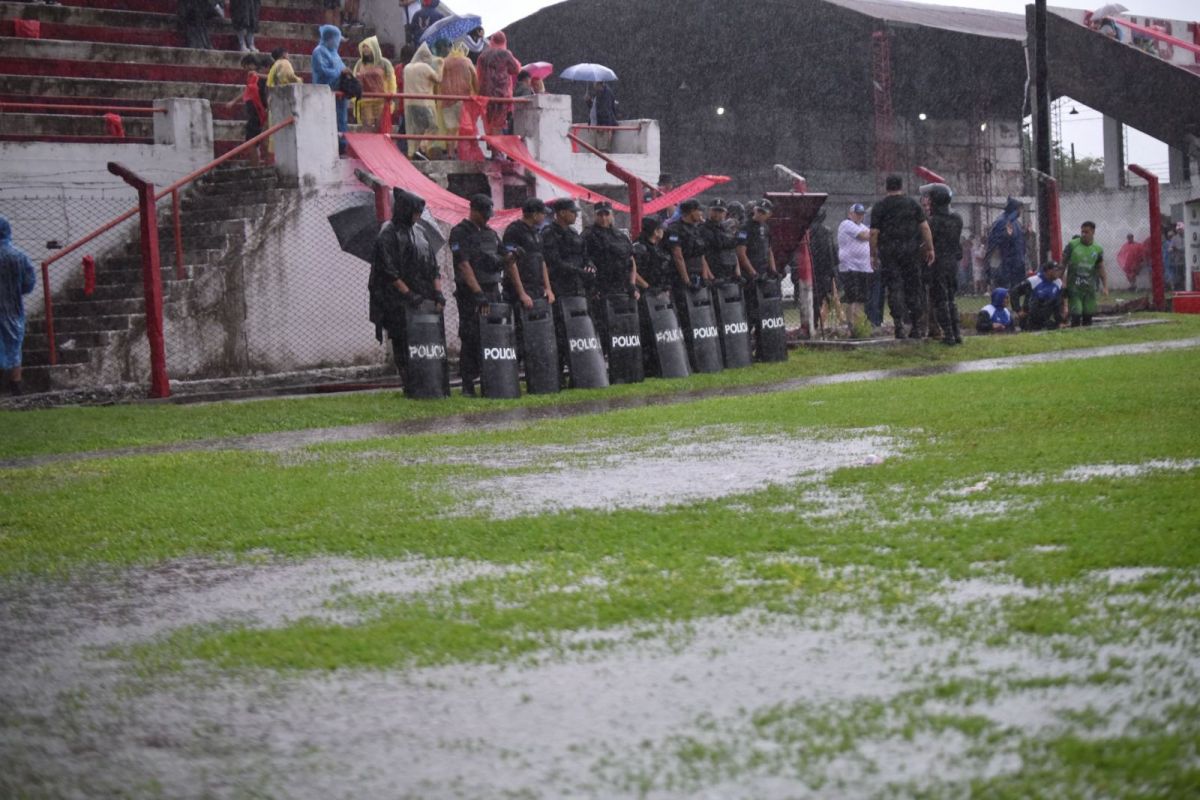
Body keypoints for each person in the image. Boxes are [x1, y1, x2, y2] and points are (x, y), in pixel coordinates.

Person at [368, 189, 446, 390]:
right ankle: (409, 381)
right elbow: (388, 270)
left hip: (424, 294)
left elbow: (432, 266)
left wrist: (437, 292)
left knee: (427, 337)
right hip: (398, 300)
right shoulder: (388, 234)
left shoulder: (420, 232)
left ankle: (429, 378)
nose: (418, 216)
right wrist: (408, 294)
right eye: (415, 212)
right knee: (402, 340)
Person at [449, 194, 506, 397]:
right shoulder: (460, 233)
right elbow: (464, 265)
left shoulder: (490, 233)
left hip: (492, 289)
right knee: (471, 336)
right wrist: (478, 293)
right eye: (484, 214)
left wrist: (512, 255)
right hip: (471, 294)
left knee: (493, 337)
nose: (487, 218)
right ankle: (467, 384)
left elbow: (502, 254)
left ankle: (491, 379)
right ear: (473, 210)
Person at [870, 174, 934, 339]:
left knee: (894, 287)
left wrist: (873, 254)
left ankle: (898, 324)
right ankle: (915, 326)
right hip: (911, 252)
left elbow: (874, 233)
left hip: (889, 253)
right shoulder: (912, 204)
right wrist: (930, 248)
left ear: (886, 187)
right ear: (901, 186)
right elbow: (925, 228)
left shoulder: (880, 207)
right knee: (913, 287)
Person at [0, 217, 36, 396]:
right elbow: (29, 283)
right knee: (14, 343)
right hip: (12, 306)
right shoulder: (18, 256)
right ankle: (16, 383)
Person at [926, 184, 964, 345]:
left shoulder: (933, 222)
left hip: (938, 262)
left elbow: (929, 241)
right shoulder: (957, 219)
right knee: (951, 298)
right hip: (952, 262)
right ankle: (956, 333)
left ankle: (948, 334)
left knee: (941, 299)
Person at [311, 25, 350, 154]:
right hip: (325, 89)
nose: (338, 42)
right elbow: (323, 70)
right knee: (327, 119)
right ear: (330, 38)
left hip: (339, 93)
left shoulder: (335, 53)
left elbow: (341, 67)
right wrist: (340, 73)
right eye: (337, 39)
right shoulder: (319, 51)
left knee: (341, 120)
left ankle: (342, 145)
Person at [225, 53, 269, 167]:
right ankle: (261, 166)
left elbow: (271, 80)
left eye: (245, 66)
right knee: (259, 142)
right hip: (256, 114)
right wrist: (234, 101)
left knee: (253, 143)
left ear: (251, 65)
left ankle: (257, 167)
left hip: (258, 114)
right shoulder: (253, 77)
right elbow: (247, 91)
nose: (245, 69)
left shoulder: (258, 76)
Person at [1062, 221, 1107, 327]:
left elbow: (1100, 268)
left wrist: (1105, 286)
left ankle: (1087, 337)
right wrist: (1061, 281)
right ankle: (1075, 334)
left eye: (1086, 232)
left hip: (1089, 288)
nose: (1083, 234)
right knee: (1076, 314)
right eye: (1082, 232)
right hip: (1074, 288)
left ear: (1093, 232)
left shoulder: (1097, 249)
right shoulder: (1072, 245)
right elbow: (1062, 264)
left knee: (1088, 315)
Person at [837, 202, 872, 336]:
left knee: (861, 298)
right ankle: (851, 325)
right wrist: (873, 233)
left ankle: (858, 326)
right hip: (850, 267)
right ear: (850, 214)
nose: (859, 217)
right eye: (857, 214)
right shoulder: (846, 224)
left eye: (861, 214)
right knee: (852, 297)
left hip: (864, 267)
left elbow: (871, 235)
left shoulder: (863, 226)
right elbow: (865, 236)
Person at [476, 32, 521, 137]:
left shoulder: (483, 56)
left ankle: (493, 148)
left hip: (485, 94)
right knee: (498, 123)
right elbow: (516, 70)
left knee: (488, 122)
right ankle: (497, 150)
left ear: (492, 41)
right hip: (502, 94)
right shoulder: (505, 54)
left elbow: (478, 74)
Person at [402, 43, 442, 158]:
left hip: (410, 104)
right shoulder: (425, 67)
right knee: (433, 127)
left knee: (416, 129)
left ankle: (414, 152)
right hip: (424, 103)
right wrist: (440, 65)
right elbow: (438, 79)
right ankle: (422, 147)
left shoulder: (407, 67)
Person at [807, 207, 840, 334]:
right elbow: (833, 253)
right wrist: (833, 269)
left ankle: (815, 323)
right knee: (825, 298)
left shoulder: (808, 231)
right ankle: (818, 323)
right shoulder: (826, 232)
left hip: (814, 269)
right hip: (825, 270)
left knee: (816, 299)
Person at [353, 36, 395, 130]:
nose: (365, 49)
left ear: (374, 47)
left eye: (367, 46)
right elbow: (355, 79)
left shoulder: (384, 63)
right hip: (365, 100)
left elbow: (391, 80)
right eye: (363, 47)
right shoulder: (360, 63)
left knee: (380, 127)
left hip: (381, 100)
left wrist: (391, 95)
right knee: (367, 126)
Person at [438, 42, 477, 143]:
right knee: (465, 127)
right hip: (463, 99)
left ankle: (451, 153)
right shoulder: (466, 61)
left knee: (451, 128)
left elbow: (437, 79)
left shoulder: (444, 62)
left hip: (447, 100)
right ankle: (464, 153)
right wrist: (477, 93)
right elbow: (475, 77)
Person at [985, 197, 1026, 290]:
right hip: (1005, 264)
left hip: (1015, 264)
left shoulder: (1015, 223)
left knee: (1014, 290)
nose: (1020, 211)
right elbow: (994, 243)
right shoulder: (1002, 222)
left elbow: (1020, 243)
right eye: (1019, 209)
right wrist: (1006, 236)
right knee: (1003, 290)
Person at [1011, 261, 1065, 331]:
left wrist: (1059, 321)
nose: (1058, 272)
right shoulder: (1033, 281)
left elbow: (1057, 304)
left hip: (1045, 319)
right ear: (1048, 271)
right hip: (1029, 320)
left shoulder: (1058, 283)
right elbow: (1014, 292)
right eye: (1056, 270)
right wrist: (1018, 310)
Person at [700, 200, 738, 283]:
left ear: (725, 213)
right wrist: (710, 277)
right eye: (715, 210)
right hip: (712, 271)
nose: (717, 213)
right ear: (709, 211)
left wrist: (737, 274)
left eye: (720, 211)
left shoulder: (726, 229)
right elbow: (702, 255)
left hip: (727, 271)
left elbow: (733, 249)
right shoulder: (702, 229)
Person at [590, 81, 618, 151]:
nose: (593, 85)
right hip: (596, 126)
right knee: (596, 150)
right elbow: (595, 109)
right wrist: (588, 101)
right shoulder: (599, 93)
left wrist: (603, 125)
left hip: (603, 127)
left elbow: (606, 110)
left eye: (594, 83)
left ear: (599, 83)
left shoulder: (606, 93)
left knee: (603, 149)